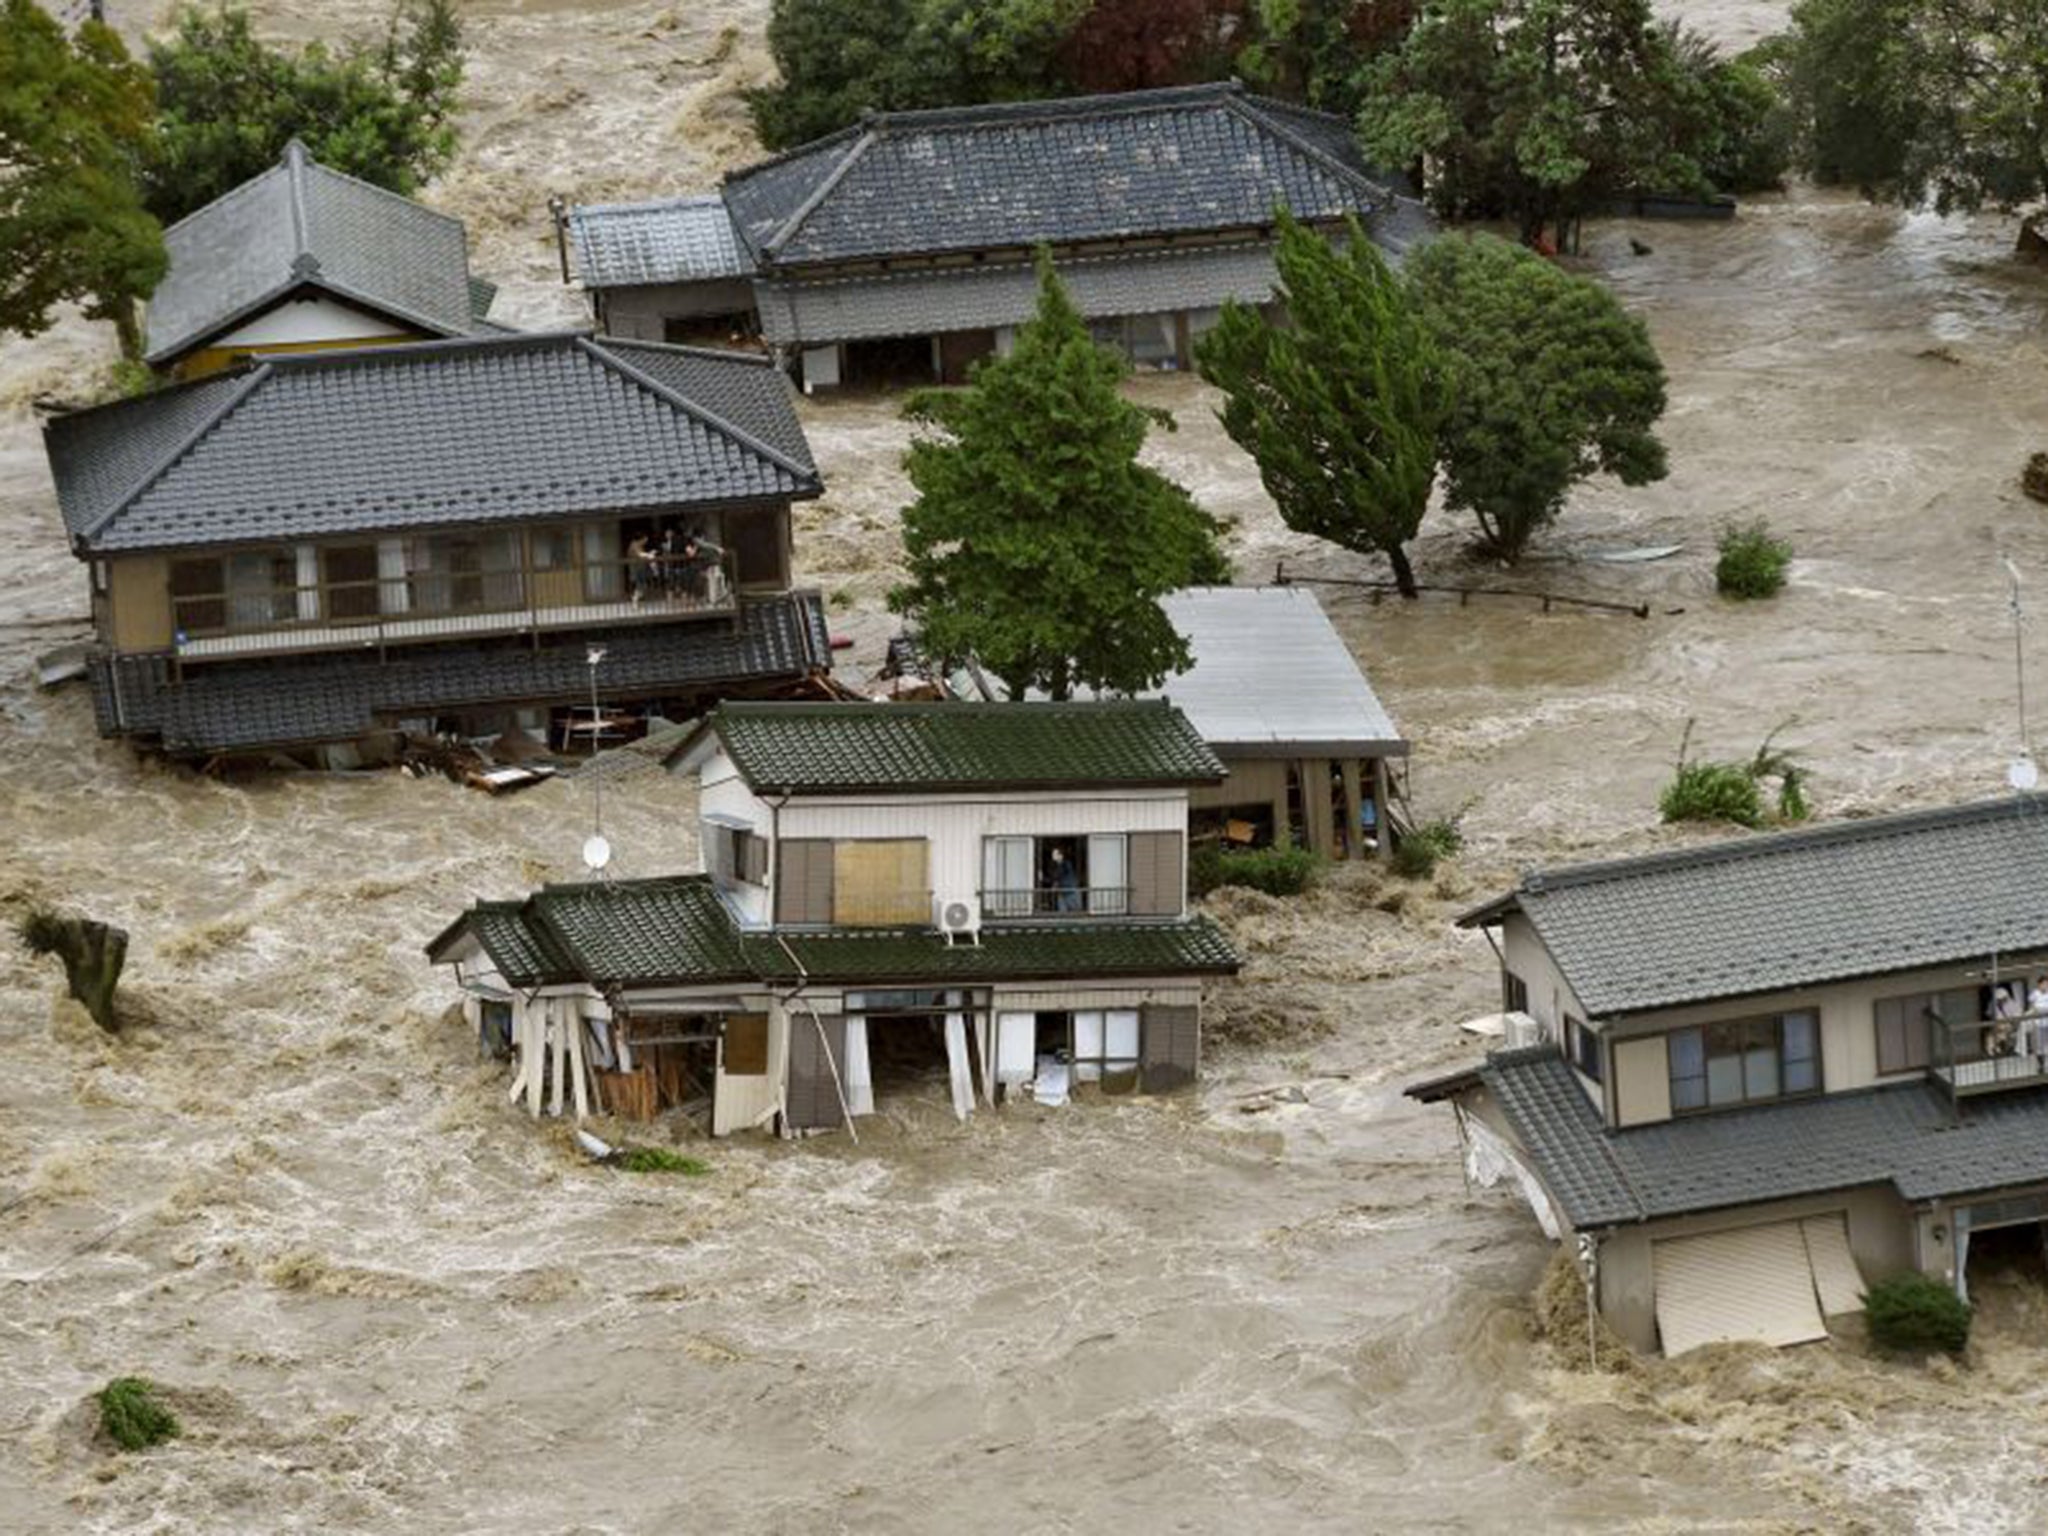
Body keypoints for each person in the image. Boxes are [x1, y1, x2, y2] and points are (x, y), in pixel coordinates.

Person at [1049, 847, 1083, 914]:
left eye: (1054, 854)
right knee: (1063, 912)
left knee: (1074, 912)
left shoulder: (1066, 864)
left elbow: (1061, 876)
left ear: (1060, 855)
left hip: (1070, 891)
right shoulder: (1057, 866)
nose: (1052, 856)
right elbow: (1057, 878)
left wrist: (1056, 884)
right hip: (1063, 892)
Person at [626, 532, 657, 602]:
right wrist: (648, 555)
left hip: (641, 568)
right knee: (638, 585)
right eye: (645, 539)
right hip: (636, 568)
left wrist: (649, 555)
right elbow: (640, 554)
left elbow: (642, 555)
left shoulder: (640, 546)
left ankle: (637, 599)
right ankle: (635, 599)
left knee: (642, 585)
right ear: (641, 539)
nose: (646, 541)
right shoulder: (634, 545)